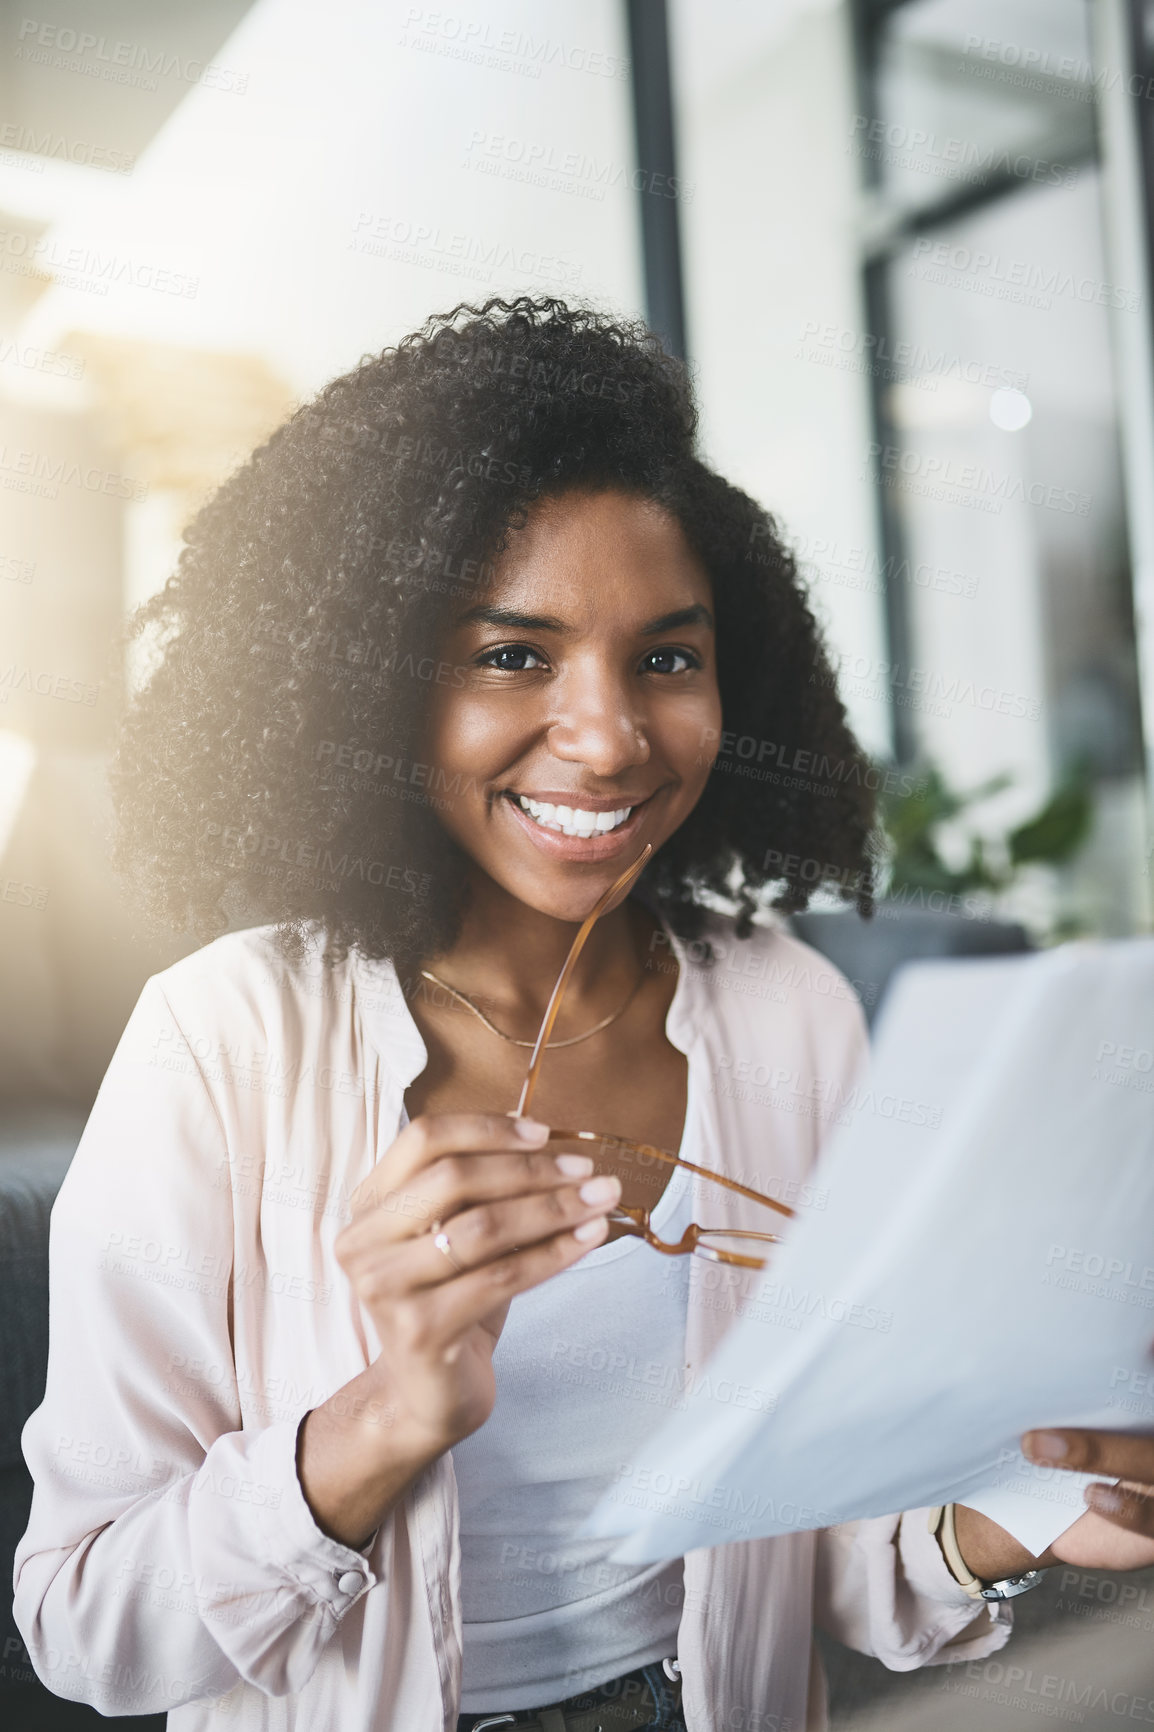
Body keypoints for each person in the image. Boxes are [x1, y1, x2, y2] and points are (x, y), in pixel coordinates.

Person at [13, 297, 1154, 1732]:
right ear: (369, 687)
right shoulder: (223, 1042)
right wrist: (384, 1419)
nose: (609, 735)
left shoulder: (788, 1013)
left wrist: (1030, 1518)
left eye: (666, 658)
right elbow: (86, 1630)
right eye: (511, 656)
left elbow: (830, 1555)